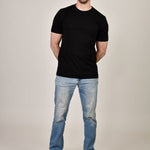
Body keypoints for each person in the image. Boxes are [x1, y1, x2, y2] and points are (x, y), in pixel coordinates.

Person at [49, 0, 109, 149]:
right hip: (64, 75)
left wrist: (86, 62)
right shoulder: (63, 14)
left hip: (89, 77)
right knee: (59, 117)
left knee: (90, 118)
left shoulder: (100, 19)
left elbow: (102, 50)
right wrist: (65, 61)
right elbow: (54, 43)